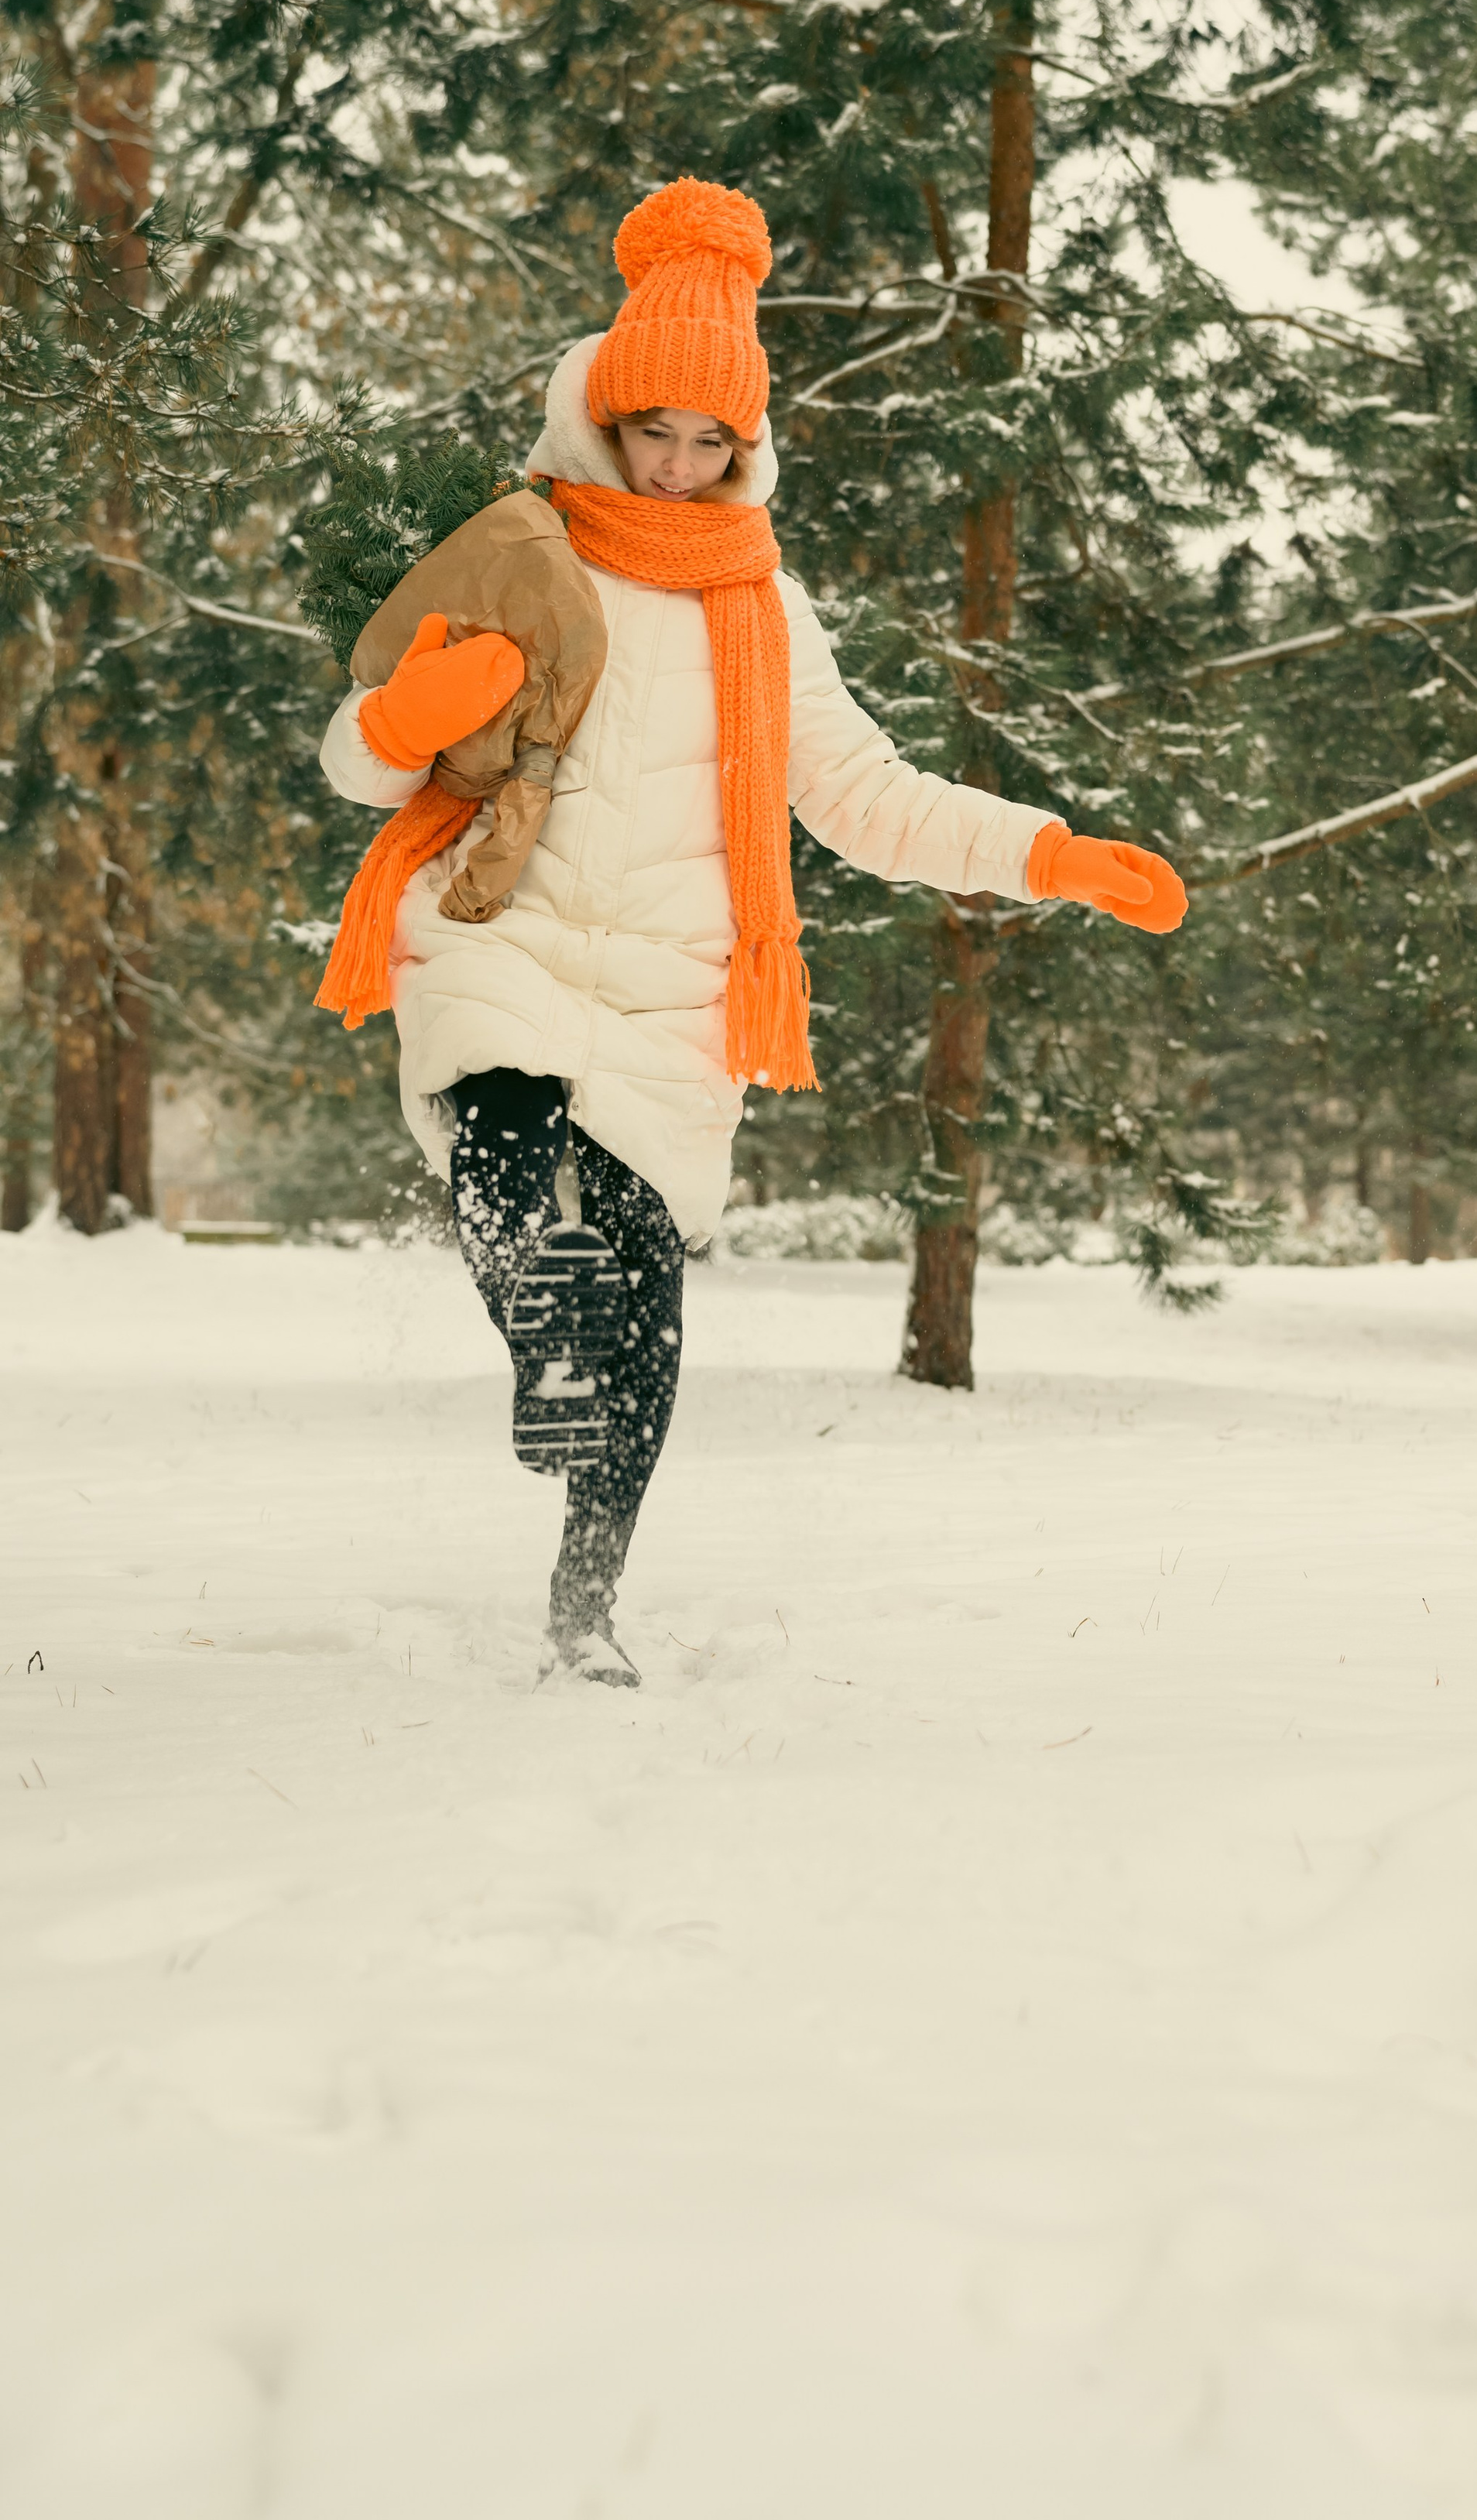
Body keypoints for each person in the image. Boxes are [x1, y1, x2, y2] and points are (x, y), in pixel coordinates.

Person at [318, 177, 1185, 1688]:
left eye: (706, 438)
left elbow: (865, 795)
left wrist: (1043, 851)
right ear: (605, 409)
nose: (673, 458)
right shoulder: (522, 553)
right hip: (496, 925)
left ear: (742, 446)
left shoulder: (763, 610)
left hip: (671, 994)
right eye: (652, 426)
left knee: (644, 1300)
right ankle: (545, 1358)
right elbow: (361, 756)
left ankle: (584, 1604)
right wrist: (403, 719)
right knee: (504, 1133)